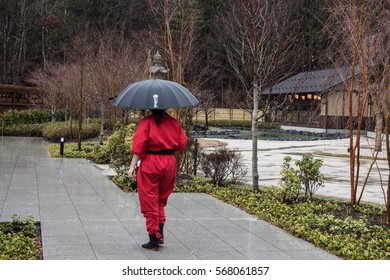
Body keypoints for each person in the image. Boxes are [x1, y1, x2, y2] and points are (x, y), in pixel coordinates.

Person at [128, 109, 188, 250]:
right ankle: (159, 232)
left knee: (150, 199)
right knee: (161, 199)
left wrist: (132, 167)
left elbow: (139, 147)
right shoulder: (174, 122)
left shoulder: (147, 122)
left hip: (151, 162)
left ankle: (153, 237)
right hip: (169, 163)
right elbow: (182, 144)